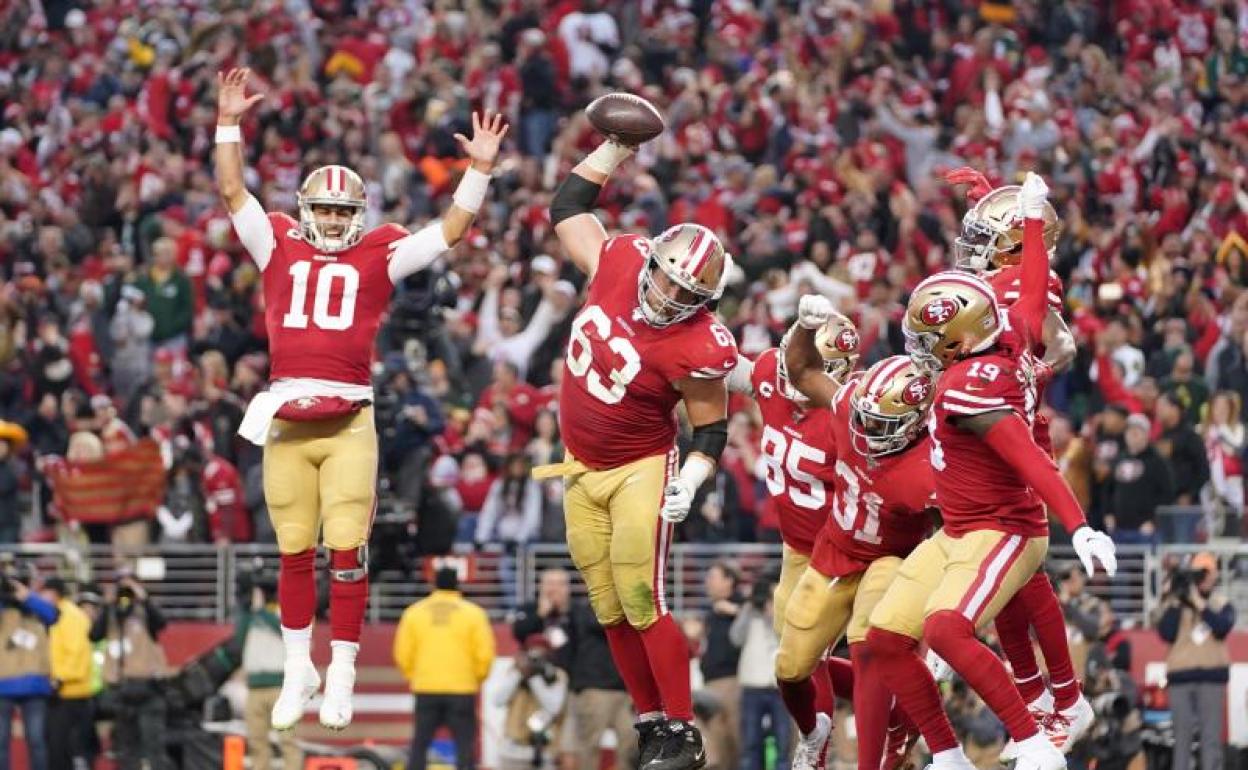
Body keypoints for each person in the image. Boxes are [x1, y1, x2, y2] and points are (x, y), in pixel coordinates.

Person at [214, 67, 508, 730]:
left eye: (343, 212)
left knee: (346, 548)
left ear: (360, 216)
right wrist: (228, 123)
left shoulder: (381, 252)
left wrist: (480, 170)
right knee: (294, 549)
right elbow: (233, 190)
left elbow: (450, 230)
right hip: (288, 414)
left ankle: (341, 668)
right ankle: (300, 668)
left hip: (348, 416)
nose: (332, 220)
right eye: (324, 209)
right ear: (306, 208)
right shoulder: (277, 241)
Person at [853, 172, 1116, 770]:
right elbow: (1025, 300)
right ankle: (972, 741)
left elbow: (1030, 450)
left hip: (1000, 513)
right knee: (892, 633)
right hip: (966, 518)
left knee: (961, 619)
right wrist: (1027, 211)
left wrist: (1080, 526)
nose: (921, 348)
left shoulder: (969, 384)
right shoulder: (1003, 326)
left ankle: (1046, 717)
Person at [534, 110, 740, 770]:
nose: (668, 294)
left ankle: (684, 729)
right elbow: (568, 207)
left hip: (639, 467)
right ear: (650, 261)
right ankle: (651, 721)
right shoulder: (621, 260)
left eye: (685, 290)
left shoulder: (698, 343)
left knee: (642, 597)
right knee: (606, 605)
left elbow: (711, 426)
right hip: (579, 464)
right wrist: (614, 148)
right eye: (666, 277)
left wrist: (691, 481)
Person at [946, 170, 1095, 757]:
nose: (971, 249)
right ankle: (1035, 696)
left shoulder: (1028, 280)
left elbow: (1061, 343)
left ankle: (1065, 696)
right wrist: (993, 200)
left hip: (1010, 423)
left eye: (985, 238)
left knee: (1020, 567)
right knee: (1001, 571)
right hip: (973, 424)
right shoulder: (995, 278)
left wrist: (1029, 373)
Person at [778, 347, 936, 770]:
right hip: (834, 551)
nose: (867, 430)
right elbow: (802, 370)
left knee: (868, 647)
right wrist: (805, 327)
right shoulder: (849, 405)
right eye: (866, 418)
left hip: (892, 558)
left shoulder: (930, 466)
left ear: (917, 422)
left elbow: (962, 531)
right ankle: (818, 733)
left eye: (882, 424)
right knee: (790, 669)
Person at [722, 310, 861, 767]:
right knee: (796, 663)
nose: (794, 373)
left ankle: (827, 743)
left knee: (820, 654)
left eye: (808, 365)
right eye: (793, 359)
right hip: (795, 550)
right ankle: (885, 699)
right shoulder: (772, 375)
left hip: (842, 553)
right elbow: (737, 372)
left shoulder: (851, 417)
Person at [393, 567, 495, 770]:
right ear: (458, 584)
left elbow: (402, 653)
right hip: (462, 690)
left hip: (426, 688)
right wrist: (475, 679)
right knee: (464, 746)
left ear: (434, 584)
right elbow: (484, 654)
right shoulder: (474, 614)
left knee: (420, 744)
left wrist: (415, 676)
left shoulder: (414, 613)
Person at [1156, 553, 1236, 770]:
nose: (1204, 578)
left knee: (1211, 737)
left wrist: (1199, 603)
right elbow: (1166, 633)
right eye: (1199, 573)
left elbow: (1222, 627)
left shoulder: (1221, 603)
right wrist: (1175, 600)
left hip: (1212, 677)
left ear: (1215, 575)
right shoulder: (1177, 604)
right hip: (1180, 677)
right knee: (1181, 738)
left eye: (1207, 572)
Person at [91, 573, 169, 770]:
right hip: (120, 689)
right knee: (126, 747)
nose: (125, 594)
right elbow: (94, 635)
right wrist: (107, 605)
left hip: (147, 688)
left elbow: (161, 624)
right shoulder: (111, 614)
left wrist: (143, 598)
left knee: (153, 745)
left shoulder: (145, 612)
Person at [233, 573, 300, 770]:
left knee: (287, 741)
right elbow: (239, 640)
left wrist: (261, 611)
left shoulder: (284, 611)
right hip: (254, 687)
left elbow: (285, 631)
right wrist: (248, 612)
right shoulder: (250, 615)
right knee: (257, 742)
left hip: (281, 687)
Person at [0, 558, 58, 770]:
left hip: (34, 682)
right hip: (3, 682)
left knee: (37, 741)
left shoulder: (37, 608)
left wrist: (27, 596)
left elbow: (53, 615)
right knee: (1, 742)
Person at [730, 577, 788, 770]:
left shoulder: (784, 613)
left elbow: (788, 639)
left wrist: (775, 614)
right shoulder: (749, 613)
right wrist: (748, 608)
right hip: (752, 688)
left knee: (783, 743)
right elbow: (735, 638)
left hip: (779, 688)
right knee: (750, 743)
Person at [40, 578, 93, 770]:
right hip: (63, 691)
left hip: (69, 692)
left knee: (64, 749)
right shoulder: (58, 614)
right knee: (59, 748)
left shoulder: (69, 616)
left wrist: (59, 678)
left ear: (53, 593)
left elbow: (76, 653)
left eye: (43, 592)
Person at [494, 635, 568, 770]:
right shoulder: (515, 672)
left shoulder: (557, 675)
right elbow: (497, 700)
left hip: (543, 751)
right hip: (512, 749)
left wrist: (534, 678)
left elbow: (554, 707)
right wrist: (519, 673)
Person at [698, 561, 743, 770]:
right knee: (716, 733)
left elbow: (763, 619)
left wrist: (736, 610)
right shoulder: (711, 612)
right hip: (710, 682)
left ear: (729, 581)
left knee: (736, 735)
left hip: (734, 681)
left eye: (713, 577)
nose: (707, 582)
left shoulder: (743, 604)